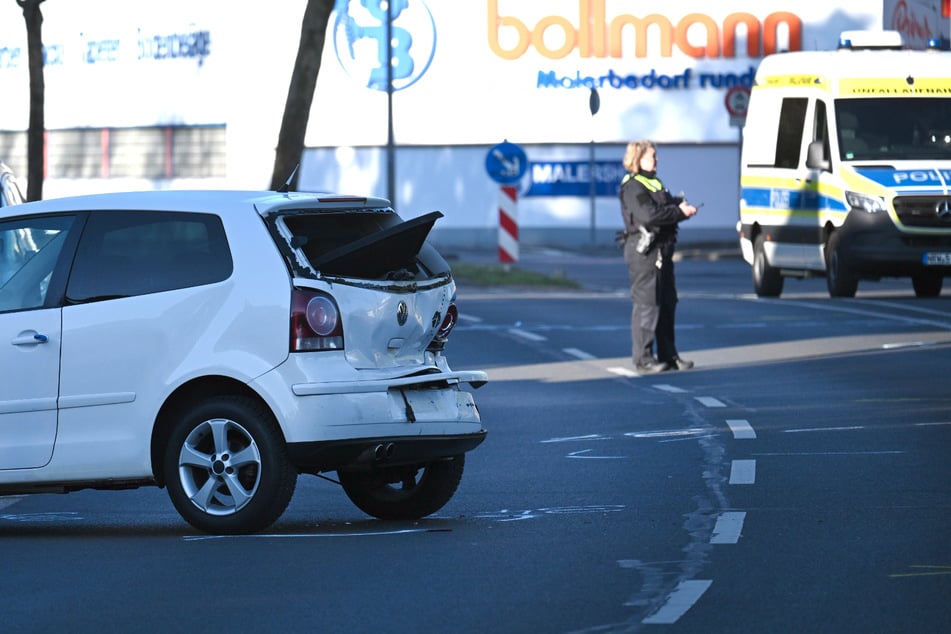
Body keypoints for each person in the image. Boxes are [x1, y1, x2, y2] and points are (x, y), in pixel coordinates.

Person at [618, 140, 698, 374]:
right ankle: (643, 359)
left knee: (667, 302)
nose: (656, 160)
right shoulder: (633, 186)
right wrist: (678, 212)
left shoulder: (653, 182)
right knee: (647, 304)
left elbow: (662, 207)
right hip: (645, 251)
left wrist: (677, 205)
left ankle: (668, 355)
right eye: (652, 156)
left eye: (656, 155)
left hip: (662, 250)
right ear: (638, 159)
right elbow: (649, 215)